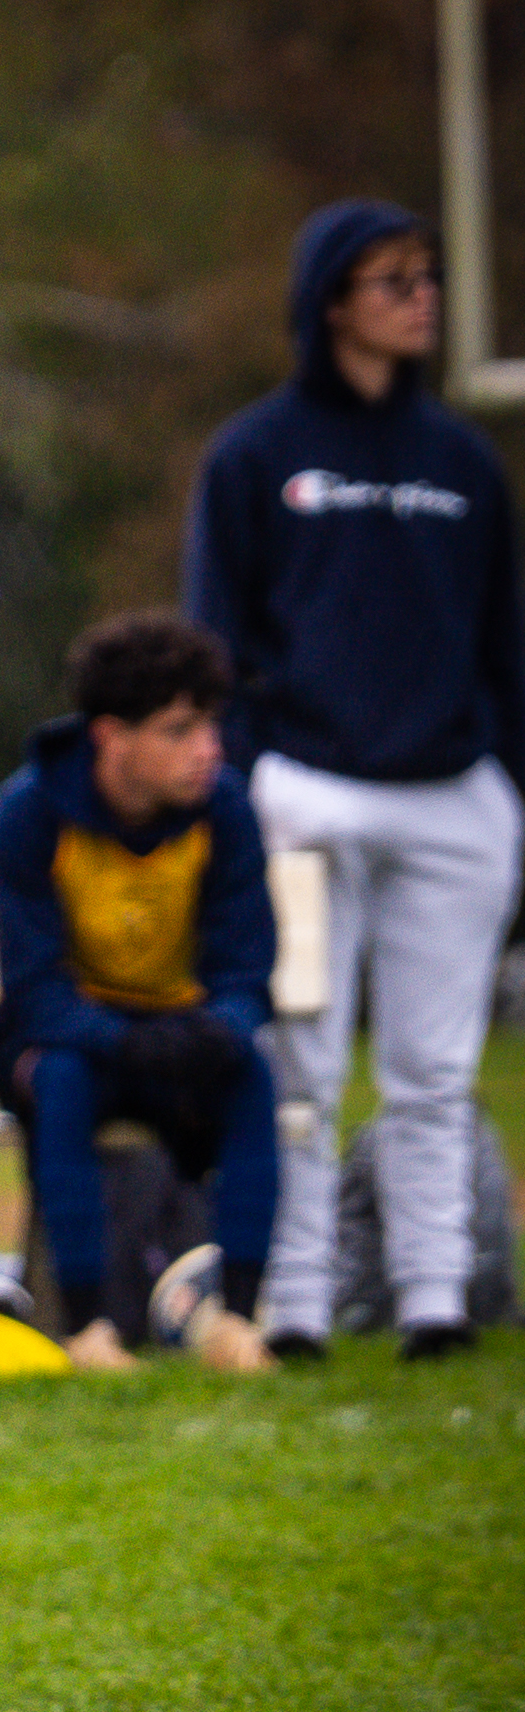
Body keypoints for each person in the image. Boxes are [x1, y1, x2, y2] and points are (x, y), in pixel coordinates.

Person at [186, 198, 525, 1361]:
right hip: (306, 792)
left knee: (435, 1067)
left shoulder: (462, 465)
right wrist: (239, 781)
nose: (422, 298)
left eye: (427, 277)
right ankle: (296, 1307)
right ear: (331, 301)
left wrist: (504, 783)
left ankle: (437, 1301)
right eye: (394, 280)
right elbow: (214, 638)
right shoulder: (256, 455)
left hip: (452, 791)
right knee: (303, 1067)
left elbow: (505, 642)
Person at [0, 611, 279, 1373]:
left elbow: (248, 969)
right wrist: (124, 1040)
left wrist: (216, 1030)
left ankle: (236, 1321)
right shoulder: (29, 813)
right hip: (79, 1044)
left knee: (252, 1074)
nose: (207, 749)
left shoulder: (225, 810)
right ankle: (88, 1330)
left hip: (180, 1038)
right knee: (62, 1081)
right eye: (180, 730)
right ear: (112, 736)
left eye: (211, 726)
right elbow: (31, 991)